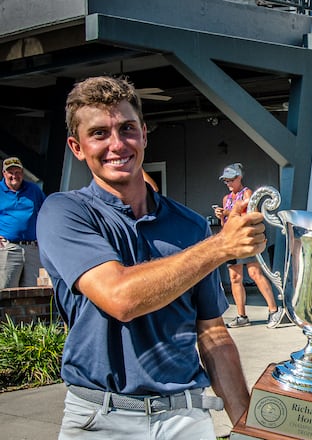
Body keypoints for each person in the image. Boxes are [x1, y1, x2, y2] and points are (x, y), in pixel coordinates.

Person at [37, 76, 265, 439]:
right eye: (98, 133)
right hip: (100, 417)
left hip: (184, 416)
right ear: (76, 147)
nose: (116, 144)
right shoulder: (65, 212)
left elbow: (212, 333)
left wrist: (249, 426)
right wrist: (221, 246)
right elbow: (121, 298)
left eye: (127, 128)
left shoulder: (188, 225)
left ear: (144, 134)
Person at [214, 162, 284, 329]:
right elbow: (227, 222)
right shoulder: (226, 199)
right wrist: (220, 216)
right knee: (235, 278)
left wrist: (227, 213)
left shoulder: (247, 193)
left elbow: (247, 214)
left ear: (239, 178)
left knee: (254, 273)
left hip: (247, 238)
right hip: (233, 241)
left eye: (231, 180)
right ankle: (241, 315)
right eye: (226, 181)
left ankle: (274, 309)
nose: (229, 184)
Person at [0, 157, 46, 288]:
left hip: (32, 248)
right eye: (10, 172)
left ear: (22, 173)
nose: (14, 176)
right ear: (4, 173)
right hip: (8, 248)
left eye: (17, 172)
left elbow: (47, 211)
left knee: (32, 291)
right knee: (6, 290)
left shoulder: (34, 190)